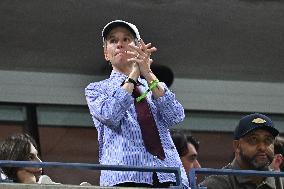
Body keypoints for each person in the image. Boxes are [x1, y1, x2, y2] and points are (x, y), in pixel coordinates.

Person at [85, 20, 189, 188]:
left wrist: (147, 72)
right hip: (125, 177)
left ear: (138, 48)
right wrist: (134, 73)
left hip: (168, 175)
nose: (120, 44)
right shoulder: (96, 89)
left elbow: (176, 116)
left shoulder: (153, 85)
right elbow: (110, 115)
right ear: (106, 53)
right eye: (113, 40)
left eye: (126, 39)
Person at [199, 113, 283, 189]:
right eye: (254, 139)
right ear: (237, 145)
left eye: (268, 140)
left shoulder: (281, 183)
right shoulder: (215, 185)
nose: (262, 147)